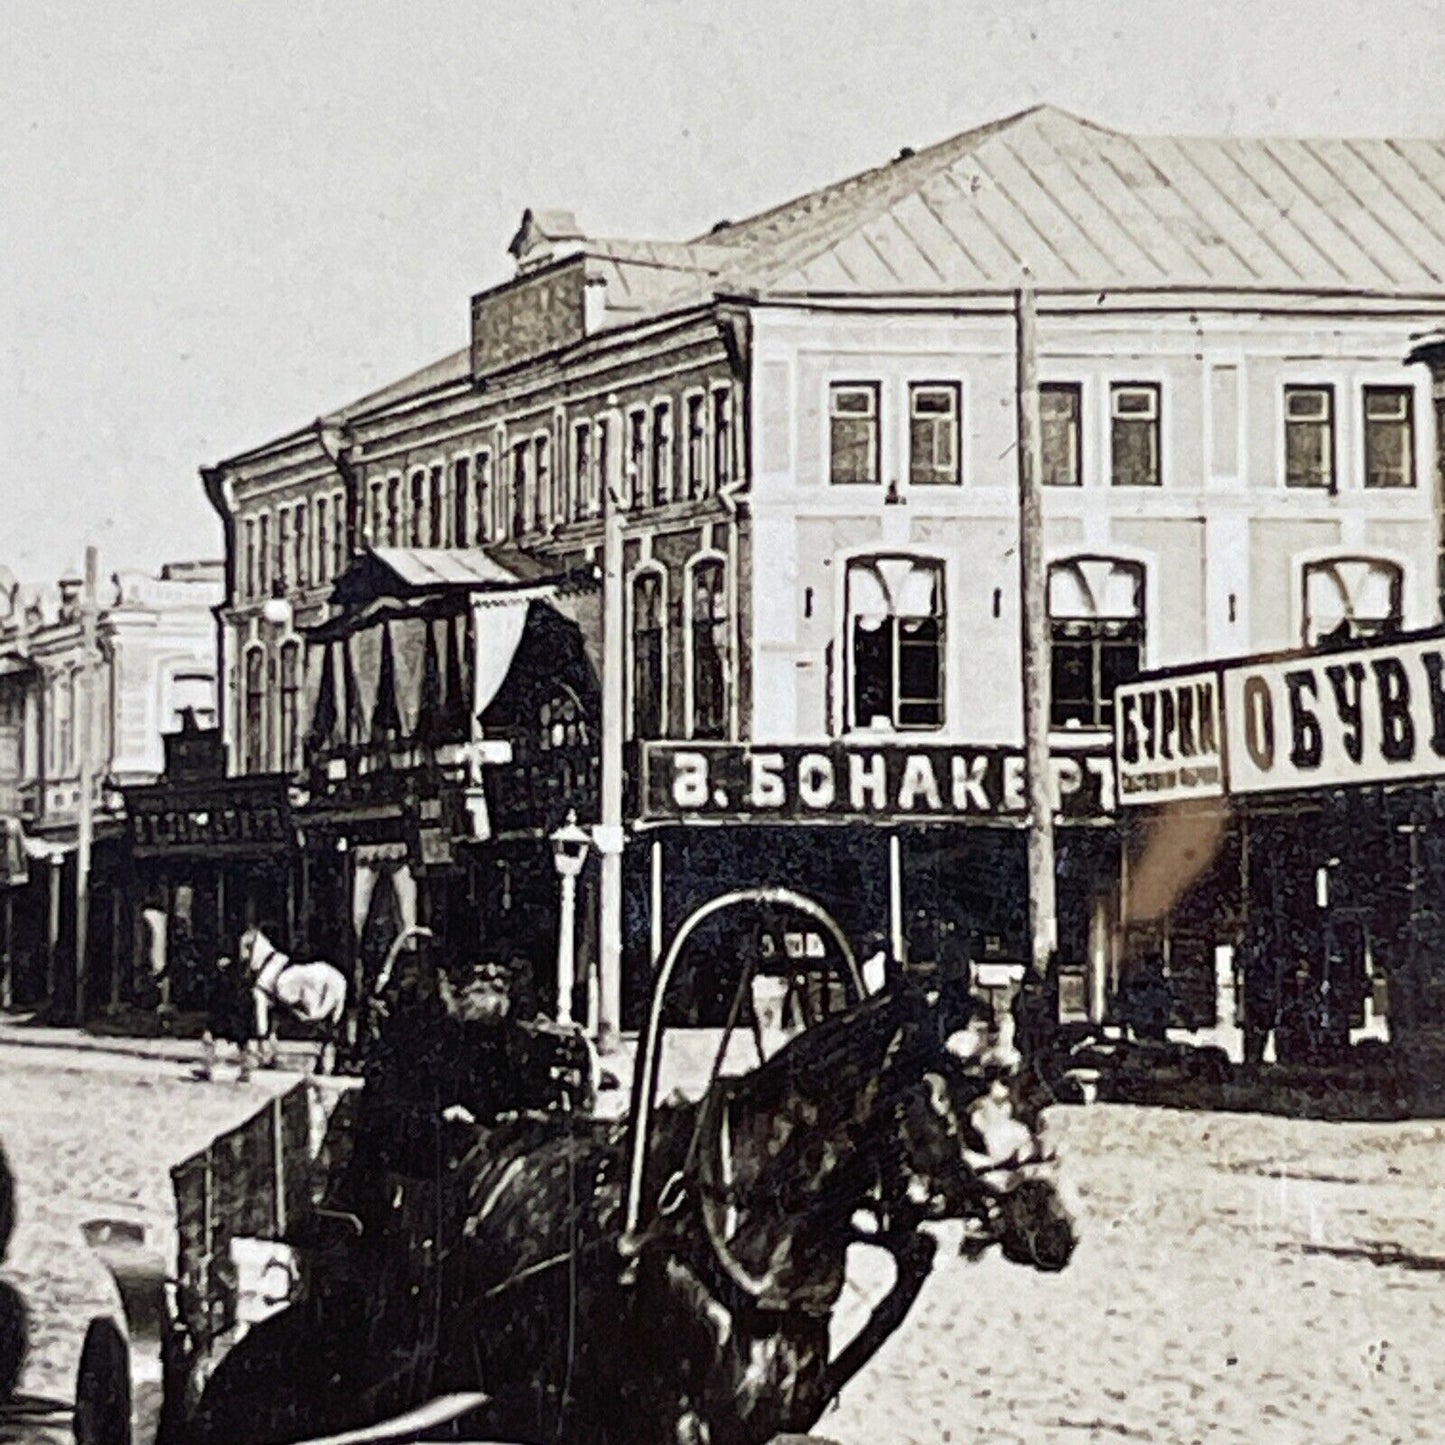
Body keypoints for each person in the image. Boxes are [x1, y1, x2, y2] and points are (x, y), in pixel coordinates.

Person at [197, 953, 258, 1083]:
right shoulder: (241, 983)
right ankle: (245, 1070)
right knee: (242, 1045)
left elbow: (215, 1000)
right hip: (236, 1019)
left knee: (208, 1039)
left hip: (226, 1018)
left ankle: (207, 1069)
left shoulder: (220, 981)